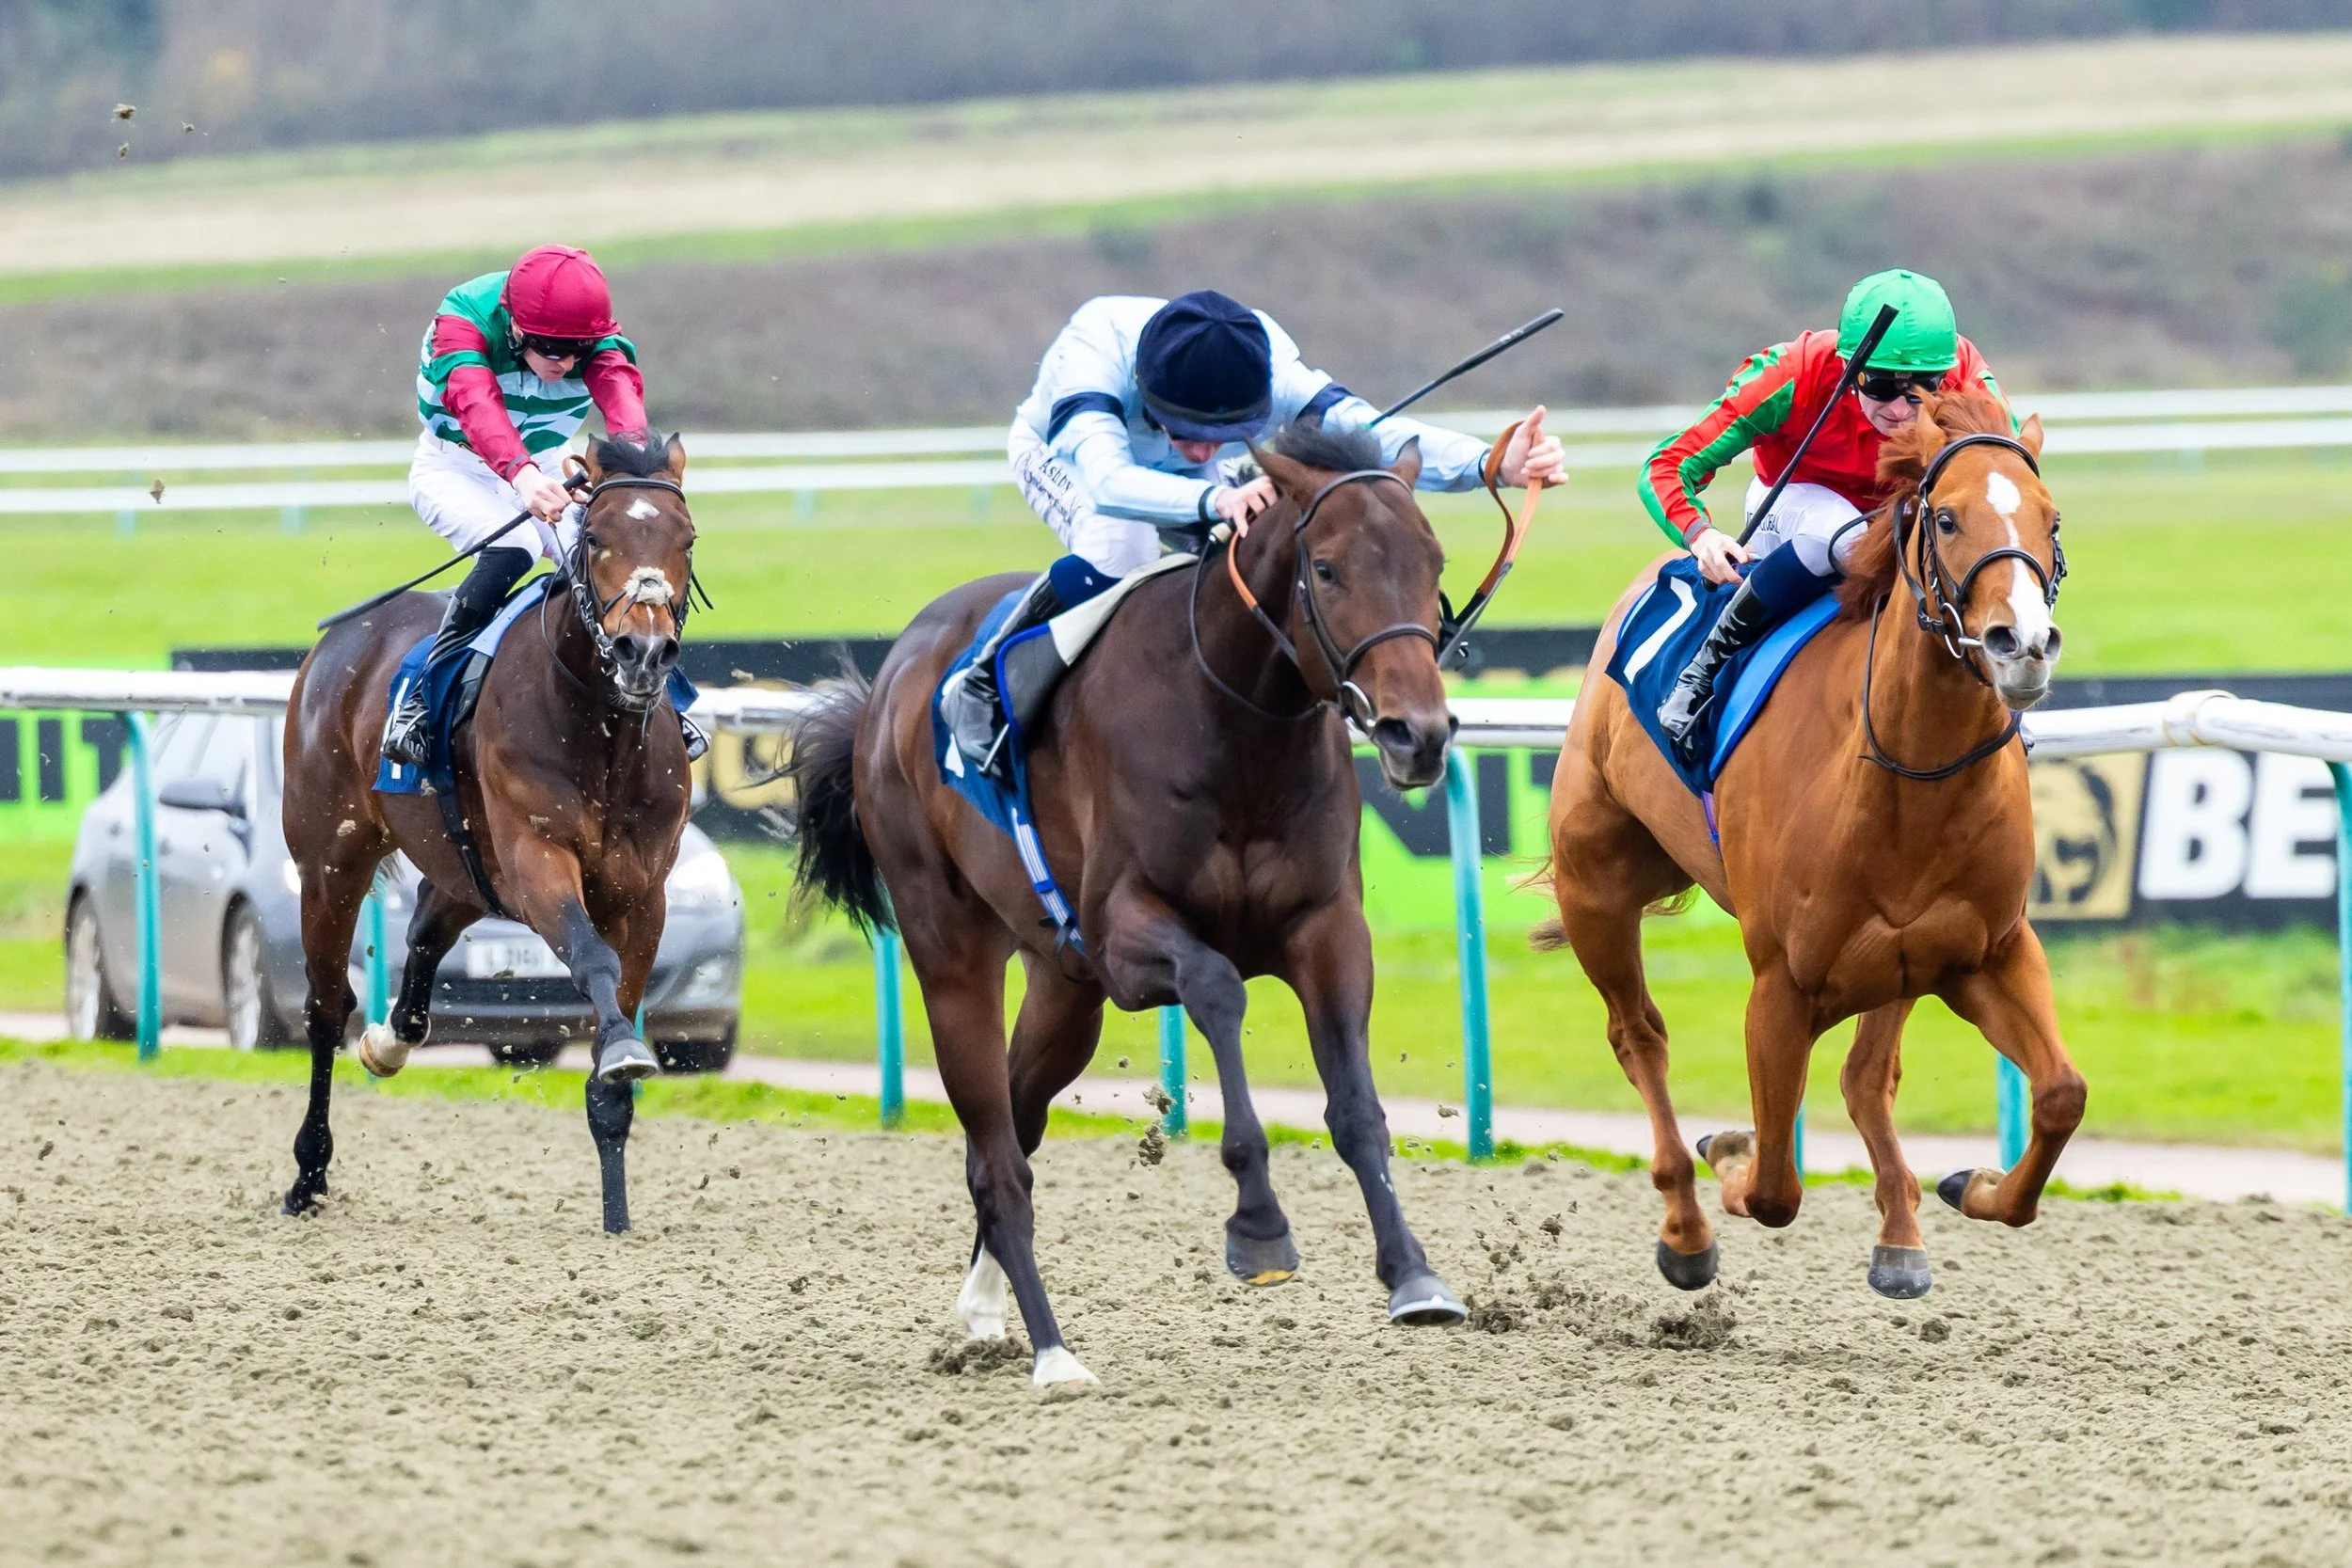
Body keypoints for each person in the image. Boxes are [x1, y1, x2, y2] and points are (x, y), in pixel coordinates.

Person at [942, 290, 1565, 782]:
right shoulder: (1092, 355)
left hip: (1189, 478)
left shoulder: (1268, 358)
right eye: (1183, 429)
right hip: (1068, 456)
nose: (1202, 448)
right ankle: (981, 678)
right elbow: (1108, 482)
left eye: (1223, 431)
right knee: (1122, 547)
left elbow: (1369, 433)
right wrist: (1214, 493)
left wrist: (1493, 463)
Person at [1638, 268, 2012, 768]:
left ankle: (1995, 687)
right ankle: (1704, 667)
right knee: (1846, 538)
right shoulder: (1788, 376)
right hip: (1796, 505)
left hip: (1903, 511)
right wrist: (1701, 535)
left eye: (1923, 388)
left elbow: (2006, 484)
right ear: (1848, 367)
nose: (1902, 411)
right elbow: (1666, 466)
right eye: (1880, 386)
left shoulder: (1965, 378)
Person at [380, 245, 704, 765]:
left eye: (580, 350)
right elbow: (477, 406)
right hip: (454, 466)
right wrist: (521, 476)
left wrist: (628, 476)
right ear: (514, 330)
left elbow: (624, 409)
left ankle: (667, 698)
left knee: (612, 555)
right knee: (517, 545)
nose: (567, 364)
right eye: (554, 351)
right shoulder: (461, 324)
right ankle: (421, 697)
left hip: (549, 463)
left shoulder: (593, 341)